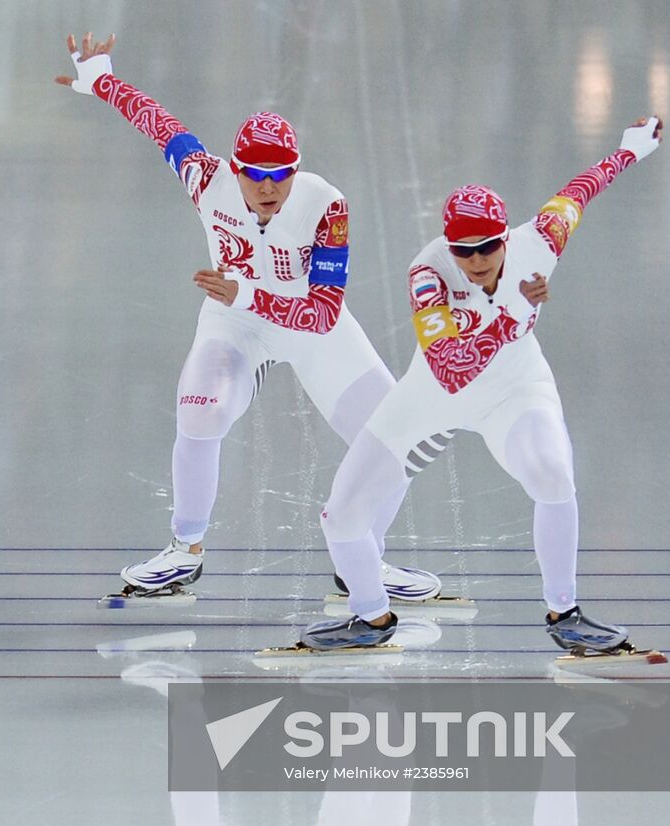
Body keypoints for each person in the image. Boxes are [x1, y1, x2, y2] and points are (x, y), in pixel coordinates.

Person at [56, 33, 439, 601]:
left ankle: (361, 555)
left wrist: (245, 295)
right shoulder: (205, 179)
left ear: (296, 170)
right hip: (235, 325)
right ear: (231, 169)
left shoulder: (325, 205)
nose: (267, 186)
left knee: (398, 439)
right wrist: (102, 79)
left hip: (307, 327)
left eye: (280, 173)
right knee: (200, 409)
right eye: (254, 173)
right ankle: (185, 549)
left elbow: (322, 311)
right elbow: (161, 126)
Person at [297, 117, 664, 653]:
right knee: (340, 516)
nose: (473, 261)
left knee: (553, 473)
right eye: (461, 250)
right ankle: (371, 617)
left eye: (486, 247)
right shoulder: (428, 271)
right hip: (430, 393)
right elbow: (449, 366)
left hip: (515, 388)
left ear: (505, 236)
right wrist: (512, 317)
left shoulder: (539, 241)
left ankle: (565, 612)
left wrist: (629, 150)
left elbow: (578, 193)